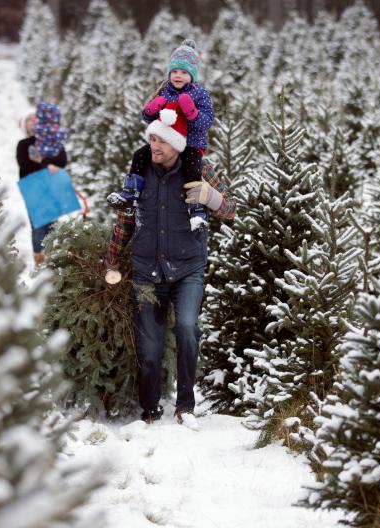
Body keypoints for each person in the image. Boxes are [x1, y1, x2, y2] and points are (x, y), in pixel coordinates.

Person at [103, 110, 237, 427]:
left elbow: (232, 208)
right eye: (152, 138)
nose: (154, 145)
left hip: (188, 268)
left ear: (176, 143)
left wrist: (212, 197)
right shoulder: (139, 170)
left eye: (161, 139)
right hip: (147, 269)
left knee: (187, 329)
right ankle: (149, 411)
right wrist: (111, 259)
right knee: (149, 347)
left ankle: (185, 407)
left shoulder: (200, 168)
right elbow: (125, 218)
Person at [106, 38, 214, 232]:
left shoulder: (200, 94)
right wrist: (152, 109)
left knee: (191, 166)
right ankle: (130, 193)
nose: (178, 76)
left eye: (183, 72)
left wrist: (192, 113)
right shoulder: (164, 90)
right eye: (174, 71)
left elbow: (207, 122)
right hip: (164, 142)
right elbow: (148, 118)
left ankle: (196, 209)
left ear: (192, 74)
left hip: (191, 143)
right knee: (140, 154)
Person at [16, 102, 69, 266]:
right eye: (29, 120)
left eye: (35, 119)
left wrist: (48, 163)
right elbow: (27, 162)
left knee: (53, 223)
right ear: (25, 126)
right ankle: (39, 258)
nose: (33, 121)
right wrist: (49, 165)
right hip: (33, 187)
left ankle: (54, 256)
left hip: (52, 186)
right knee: (39, 224)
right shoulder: (24, 144)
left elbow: (62, 159)